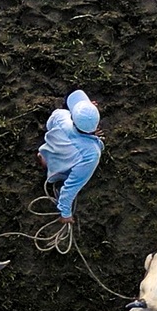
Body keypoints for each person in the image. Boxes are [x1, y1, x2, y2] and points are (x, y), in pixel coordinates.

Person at [38, 89, 104, 223]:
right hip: (60, 170)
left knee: (52, 151)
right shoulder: (91, 154)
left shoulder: (61, 116)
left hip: (49, 151)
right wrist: (65, 213)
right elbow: (71, 187)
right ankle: (55, 174)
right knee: (77, 173)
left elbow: (49, 125)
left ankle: (43, 159)